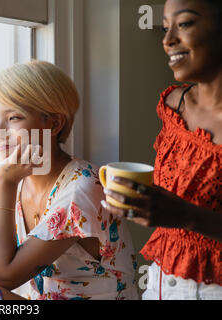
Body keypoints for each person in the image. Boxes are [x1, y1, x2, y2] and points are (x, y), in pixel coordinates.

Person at [0, 60, 139, 300]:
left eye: (13, 117)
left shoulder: (83, 188)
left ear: (54, 123)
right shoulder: (22, 180)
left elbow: (1, 276)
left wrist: (5, 182)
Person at [101, 0, 221, 300]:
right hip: (158, 283)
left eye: (184, 24)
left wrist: (186, 216)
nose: (167, 41)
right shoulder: (173, 105)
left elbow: (186, 213)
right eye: (166, 28)